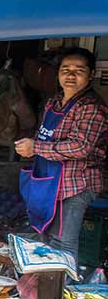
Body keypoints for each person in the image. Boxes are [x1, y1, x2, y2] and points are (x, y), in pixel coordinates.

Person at [15, 47, 108, 267]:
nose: (71, 75)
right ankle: (41, 292)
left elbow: (80, 147)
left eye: (79, 70)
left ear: (91, 74)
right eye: (65, 70)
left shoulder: (92, 108)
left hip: (77, 184)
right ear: (58, 73)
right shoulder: (53, 102)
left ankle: (59, 298)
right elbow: (44, 136)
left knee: (64, 243)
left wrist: (35, 148)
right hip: (50, 182)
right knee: (45, 239)